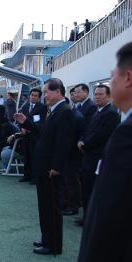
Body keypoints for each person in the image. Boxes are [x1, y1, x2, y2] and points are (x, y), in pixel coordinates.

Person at [78, 42, 132, 262]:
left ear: (127, 78)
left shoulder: (127, 134)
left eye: (112, 76)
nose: (111, 82)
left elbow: (109, 215)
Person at [14, 78, 75, 255]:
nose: (44, 96)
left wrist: (56, 166)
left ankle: (53, 245)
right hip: (45, 167)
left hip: (51, 170)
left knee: (51, 207)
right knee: (45, 206)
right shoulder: (55, 110)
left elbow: (64, 143)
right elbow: (44, 133)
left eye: (46, 92)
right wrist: (25, 122)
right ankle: (47, 238)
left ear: (57, 92)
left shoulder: (64, 111)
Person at [75, 85, 120, 226]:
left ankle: (92, 218)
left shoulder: (111, 113)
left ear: (109, 96)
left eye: (101, 94)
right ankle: (87, 216)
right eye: (96, 94)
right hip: (89, 156)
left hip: (97, 157)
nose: (97, 97)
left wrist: (84, 144)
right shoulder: (98, 112)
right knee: (87, 188)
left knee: (93, 189)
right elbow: (88, 130)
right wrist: (81, 140)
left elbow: (100, 135)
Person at [61, 87, 85, 216]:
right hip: (68, 154)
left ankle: (73, 206)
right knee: (67, 181)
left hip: (73, 155)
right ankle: (68, 204)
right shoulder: (72, 114)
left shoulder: (76, 116)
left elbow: (76, 136)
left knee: (72, 181)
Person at [18, 88, 47, 183]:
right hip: (25, 136)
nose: (33, 97)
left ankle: (34, 178)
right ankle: (26, 175)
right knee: (26, 156)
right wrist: (22, 128)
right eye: (32, 95)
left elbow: (41, 122)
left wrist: (29, 128)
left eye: (36, 96)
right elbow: (19, 119)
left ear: (39, 97)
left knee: (34, 157)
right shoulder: (25, 106)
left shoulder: (42, 107)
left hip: (35, 136)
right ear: (29, 96)